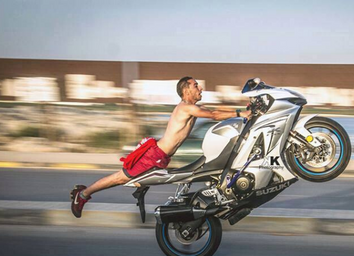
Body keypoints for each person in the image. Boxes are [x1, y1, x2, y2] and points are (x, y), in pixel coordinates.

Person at [70, 76, 251, 218]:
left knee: (137, 179)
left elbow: (217, 111)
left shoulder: (192, 107)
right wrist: (242, 113)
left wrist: (244, 110)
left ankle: (130, 187)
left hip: (161, 156)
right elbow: (213, 114)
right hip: (154, 155)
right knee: (120, 178)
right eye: (196, 85)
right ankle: (84, 194)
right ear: (186, 90)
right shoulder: (185, 107)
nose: (200, 88)